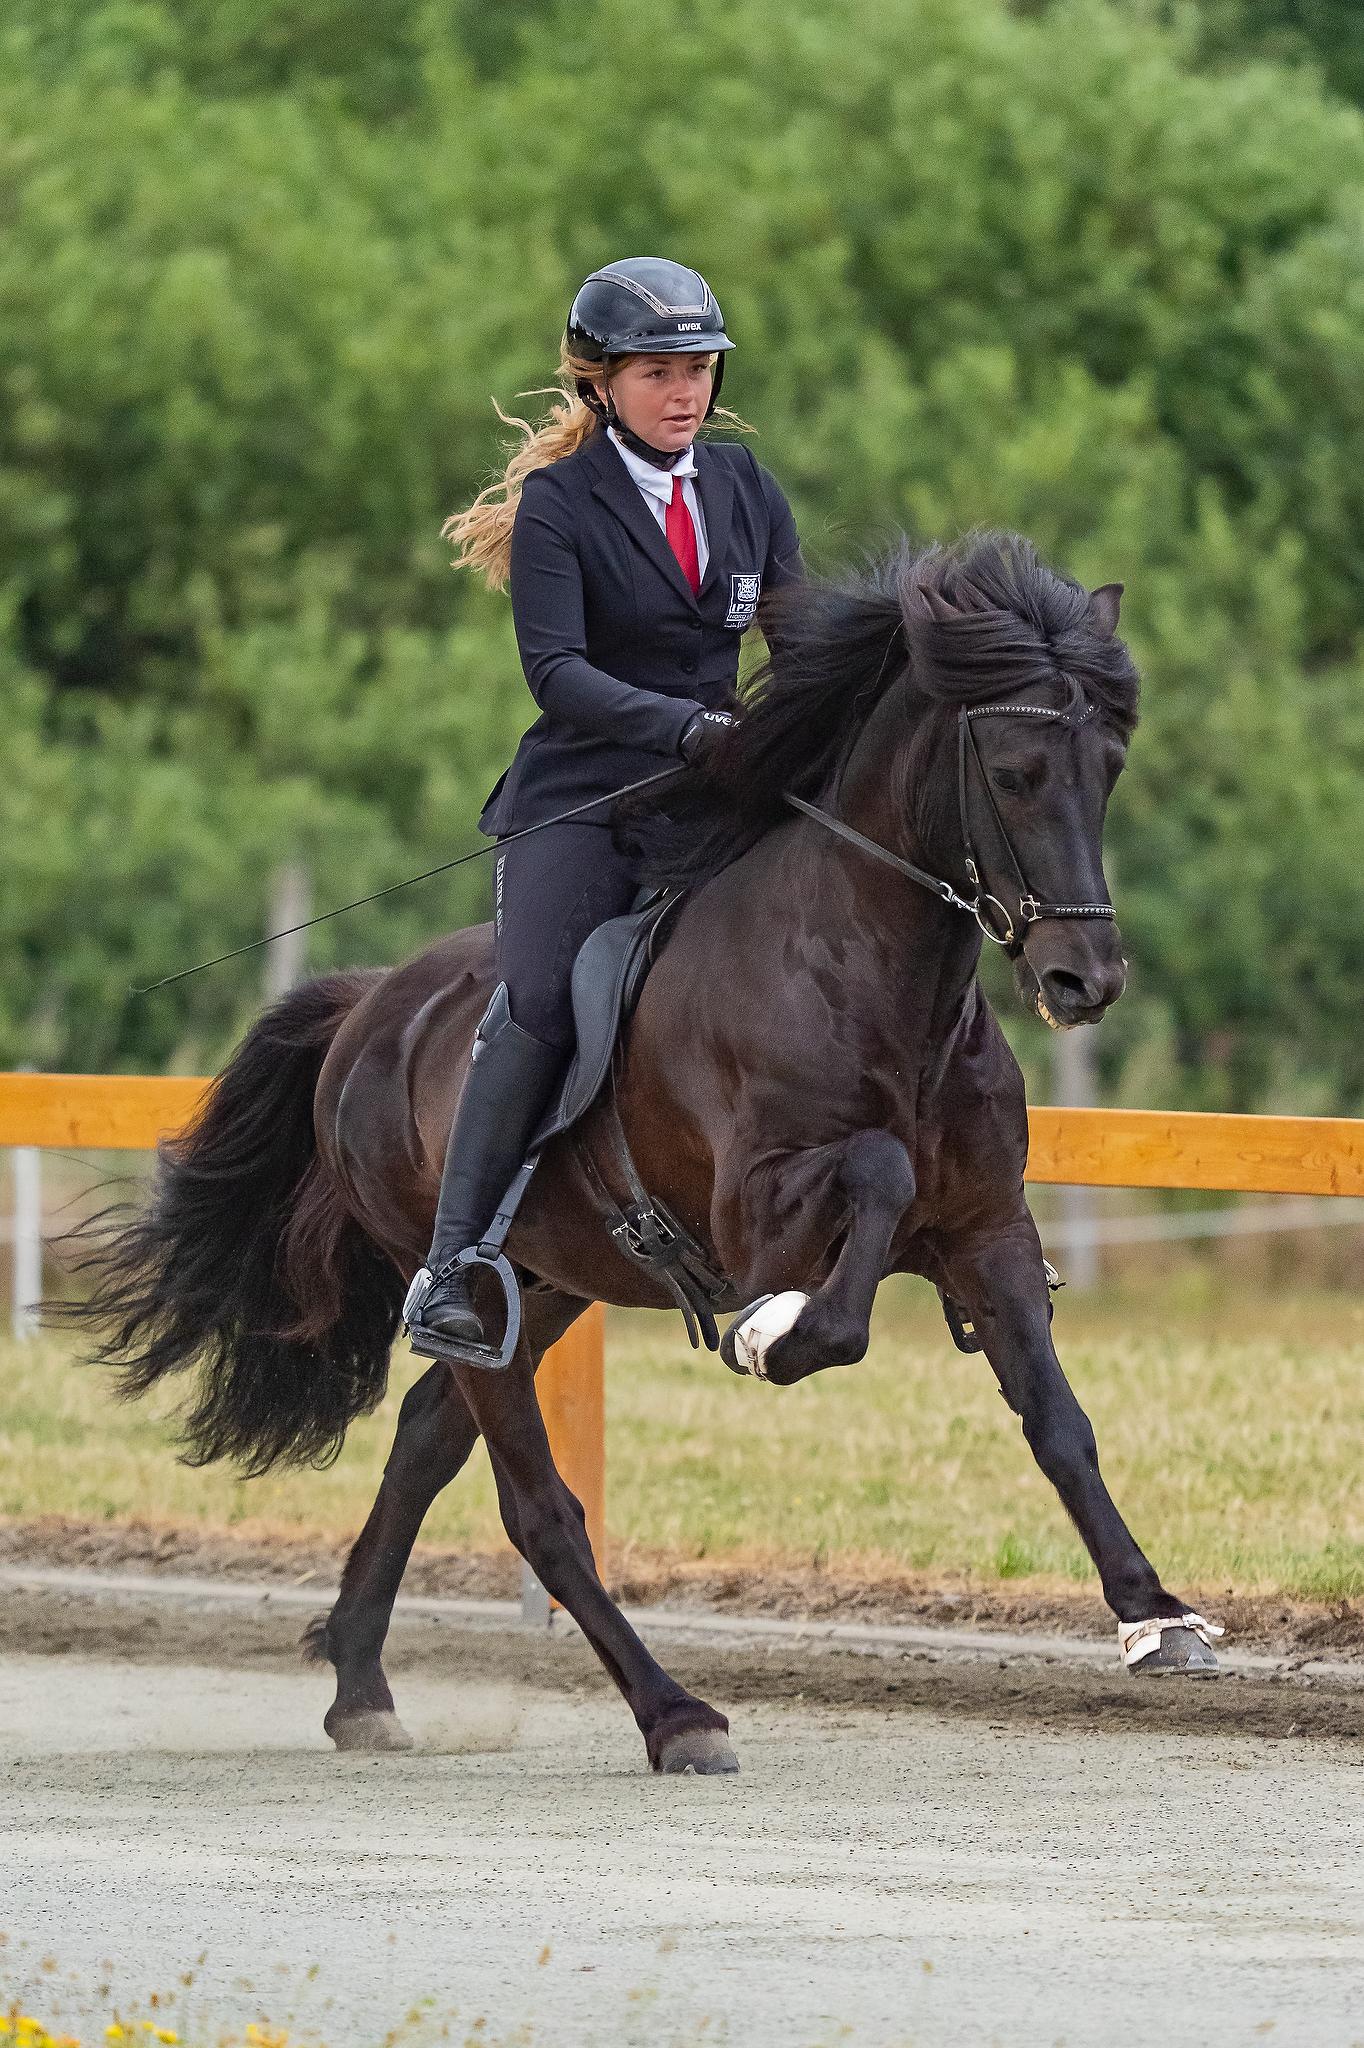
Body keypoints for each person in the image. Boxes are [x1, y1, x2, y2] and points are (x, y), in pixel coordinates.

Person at [403, 255, 804, 1360]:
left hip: (714, 797)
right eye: (656, 372)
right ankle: (452, 1260)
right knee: (536, 1001)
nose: (684, 393)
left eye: (699, 370)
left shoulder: (744, 491)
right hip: (584, 799)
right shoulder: (559, 506)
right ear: (597, 383)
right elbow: (557, 672)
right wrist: (682, 728)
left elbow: (800, 642)